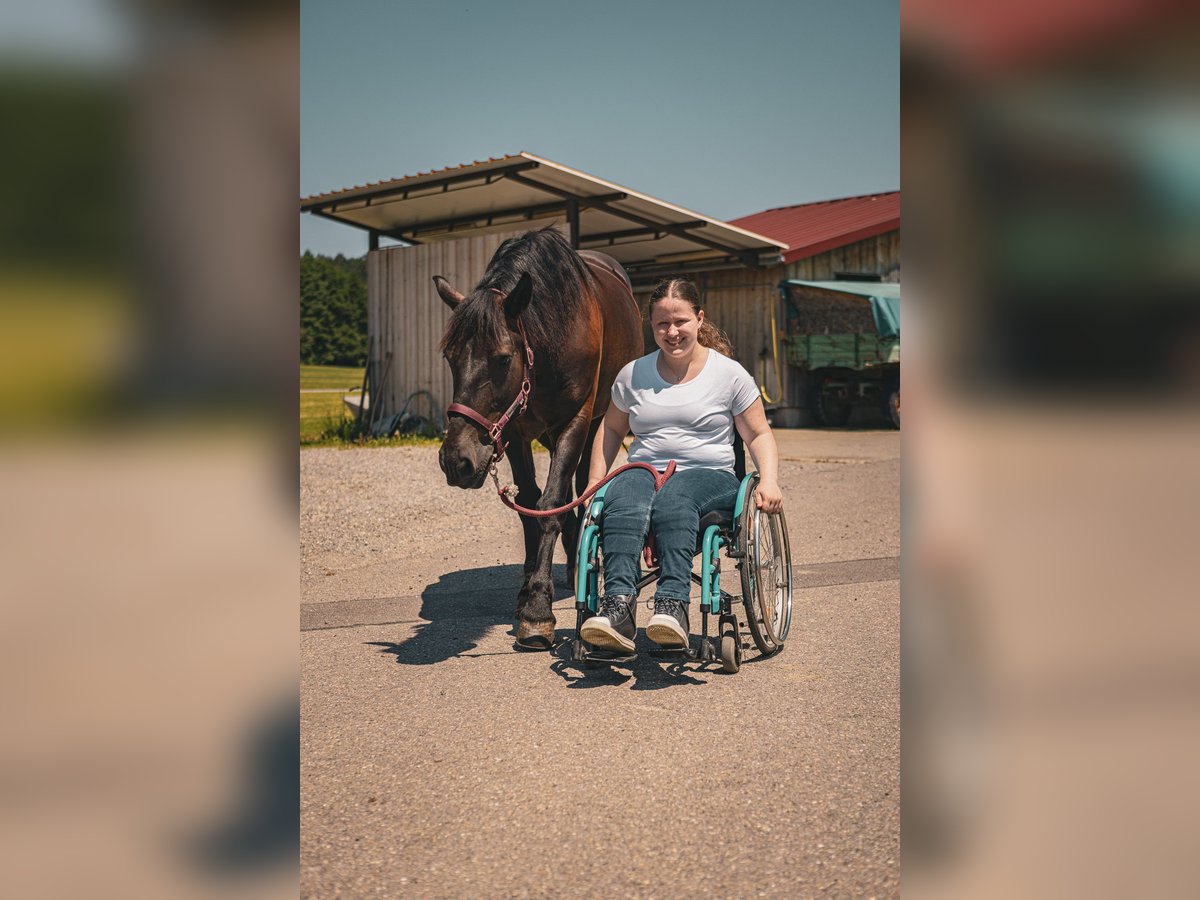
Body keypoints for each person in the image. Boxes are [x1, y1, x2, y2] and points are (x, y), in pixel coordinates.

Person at [580, 277, 784, 654]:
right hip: (644, 469)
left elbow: (758, 435)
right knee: (621, 498)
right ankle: (618, 606)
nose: (671, 332)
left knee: (676, 497)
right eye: (662, 324)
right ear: (651, 326)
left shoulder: (729, 374)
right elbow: (610, 429)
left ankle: (673, 605)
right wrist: (596, 480)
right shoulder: (633, 375)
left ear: (699, 319)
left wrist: (768, 480)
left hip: (712, 476)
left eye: (681, 322)